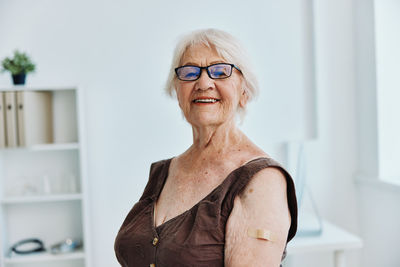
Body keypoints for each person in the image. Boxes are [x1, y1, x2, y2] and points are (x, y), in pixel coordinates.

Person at [114, 28, 297, 267]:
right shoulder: (163, 172)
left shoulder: (262, 181)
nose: (203, 83)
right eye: (189, 73)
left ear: (244, 91)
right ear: (177, 91)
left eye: (220, 71)